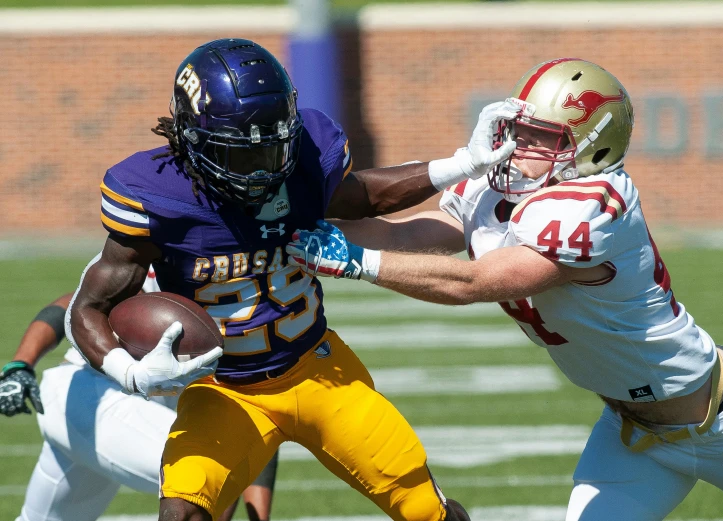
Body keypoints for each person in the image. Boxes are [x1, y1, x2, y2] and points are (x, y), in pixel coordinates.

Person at [286, 58, 723, 521]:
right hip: (632, 432)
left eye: (540, 137)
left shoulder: (595, 200)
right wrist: (285, 228)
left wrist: (359, 263)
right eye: (517, 129)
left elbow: (477, 282)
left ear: (594, 146)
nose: (519, 145)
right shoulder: (500, 183)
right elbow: (405, 235)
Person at [65, 38, 503, 521]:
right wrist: (128, 372)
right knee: (182, 514)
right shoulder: (157, 197)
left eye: (275, 148)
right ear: (192, 138)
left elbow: (362, 196)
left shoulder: (303, 162)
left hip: (318, 370)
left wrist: (461, 165)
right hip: (225, 389)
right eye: (241, 155)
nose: (263, 169)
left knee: (426, 511)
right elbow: (88, 308)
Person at [1, 269, 279, 521]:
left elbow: (256, 421)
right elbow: (73, 304)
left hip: (95, 409)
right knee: (208, 469)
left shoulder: (249, 318)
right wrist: (21, 364)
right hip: (89, 393)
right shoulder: (173, 270)